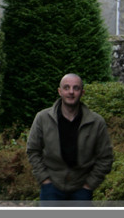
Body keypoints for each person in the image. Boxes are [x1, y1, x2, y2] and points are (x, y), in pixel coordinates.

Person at [27, 73, 114, 205]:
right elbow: (33, 150)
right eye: (66, 88)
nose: (71, 92)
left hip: (81, 190)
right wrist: (44, 179)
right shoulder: (43, 118)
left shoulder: (96, 122)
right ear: (59, 91)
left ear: (82, 92)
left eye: (76, 88)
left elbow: (106, 157)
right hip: (51, 188)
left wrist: (89, 185)